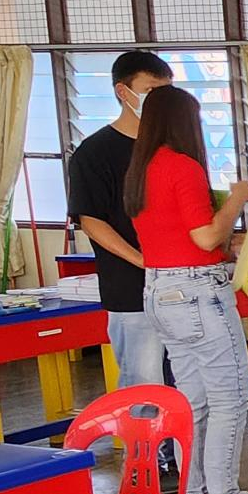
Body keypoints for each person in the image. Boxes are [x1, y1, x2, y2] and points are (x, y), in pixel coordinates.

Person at [124, 85, 248, 494]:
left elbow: (181, 237)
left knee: (193, 402)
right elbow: (205, 238)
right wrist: (237, 198)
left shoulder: (141, 170)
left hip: (159, 292)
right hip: (197, 295)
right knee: (231, 397)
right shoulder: (181, 166)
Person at [69, 50, 175, 389]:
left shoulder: (172, 147)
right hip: (131, 289)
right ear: (122, 92)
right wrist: (143, 260)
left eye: (166, 93)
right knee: (145, 383)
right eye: (150, 91)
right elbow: (91, 220)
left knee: (187, 385)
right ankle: (145, 445)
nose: (159, 102)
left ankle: (184, 445)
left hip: (179, 287)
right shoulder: (95, 152)